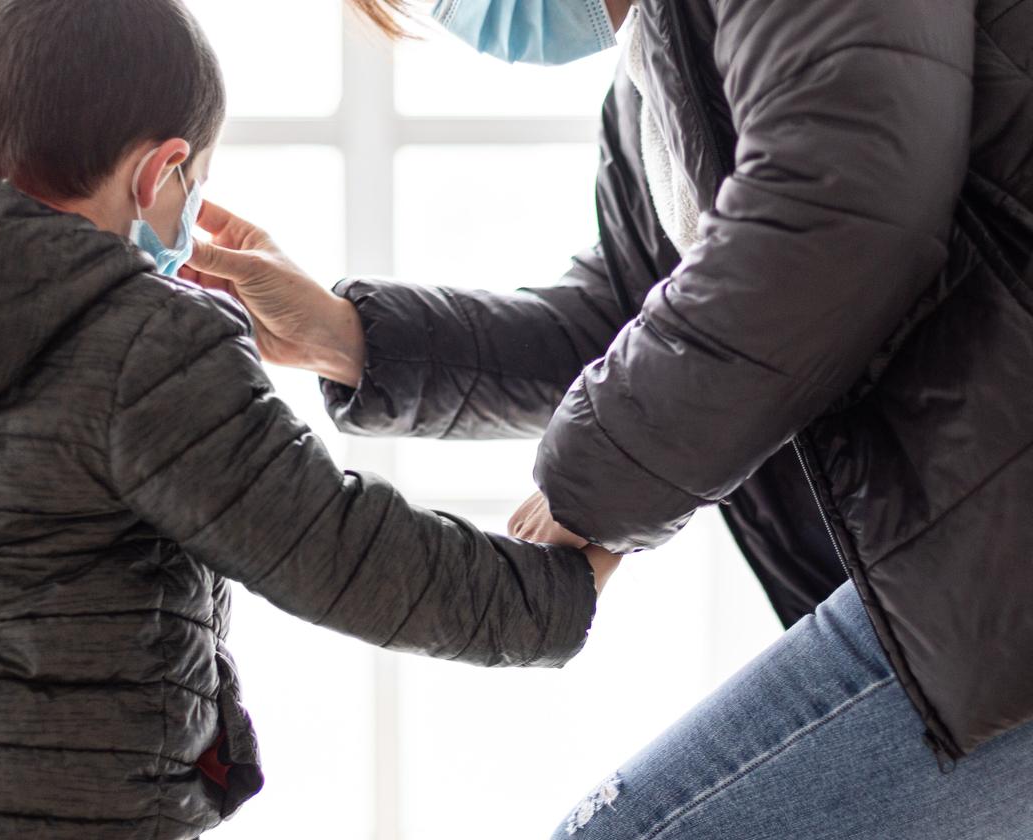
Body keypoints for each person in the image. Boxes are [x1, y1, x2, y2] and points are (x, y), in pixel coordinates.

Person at [186, 0, 1033, 836]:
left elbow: (835, 223)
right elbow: (626, 322)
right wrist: (348, 338)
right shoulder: (654, 77)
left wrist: (594, 483)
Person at [0, 1, 622, 838]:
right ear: (159, 173)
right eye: (194, 182)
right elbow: (341, 552)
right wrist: (552, 593)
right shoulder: (147, 343)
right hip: (85, 813)